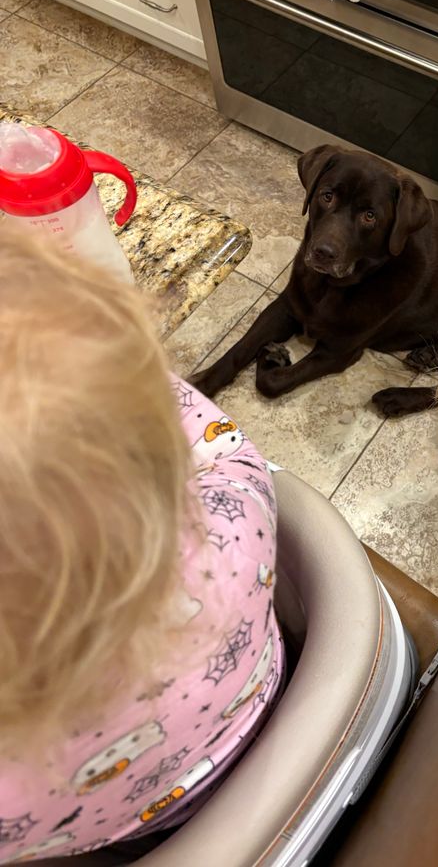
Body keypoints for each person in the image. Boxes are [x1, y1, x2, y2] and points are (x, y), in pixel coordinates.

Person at [0, 229, 284, 861]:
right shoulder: (234, 534)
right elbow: (228, 449)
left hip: (121, 834)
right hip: (258, 723)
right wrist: (112, 370)